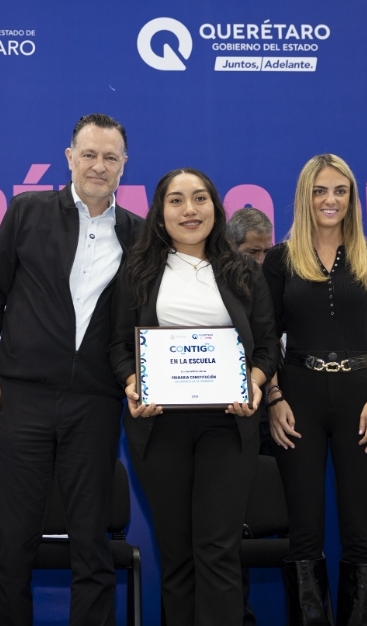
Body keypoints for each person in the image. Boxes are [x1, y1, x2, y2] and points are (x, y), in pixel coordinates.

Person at [0, 113, 143, 626]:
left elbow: (145, 319)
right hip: (22, 395)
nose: (98, 166)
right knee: (14, 539)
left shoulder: (139, 234)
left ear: (124, 165)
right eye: (89, 154)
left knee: (91, 541)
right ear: (69, 158)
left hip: (96, 400)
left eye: (110, 157)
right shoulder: (27, 211)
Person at [110, 167, 280, 625]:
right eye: (177, 200)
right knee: (177, 553)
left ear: (215, 208)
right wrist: (132, 383)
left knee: (218, 549)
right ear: (160, 212)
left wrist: (254, 383)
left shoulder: (243, 271)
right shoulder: (137, 271)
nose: (190, 210)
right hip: (159, 426)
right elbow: (118, 346)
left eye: (200, 198)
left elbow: (267, 345)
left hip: (228, 424)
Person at [262, 154, 367, 625]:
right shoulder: (280, 259)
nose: (330, 200)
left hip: (362, 397)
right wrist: (274, 399)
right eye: (320, 190)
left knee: (360, 532)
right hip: (297, 396)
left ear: (352, 198)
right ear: (305, 196)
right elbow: (265, 337)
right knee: (304, 531)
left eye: (340, 191)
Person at [228, 206, 275, 626]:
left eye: (265, 253)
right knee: (229, 527)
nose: (259, 261)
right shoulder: (223, 281)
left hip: (271, 414)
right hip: (227, 417)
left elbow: (272, 347)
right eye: (251, 252)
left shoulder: (276, 280)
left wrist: (272, 396)